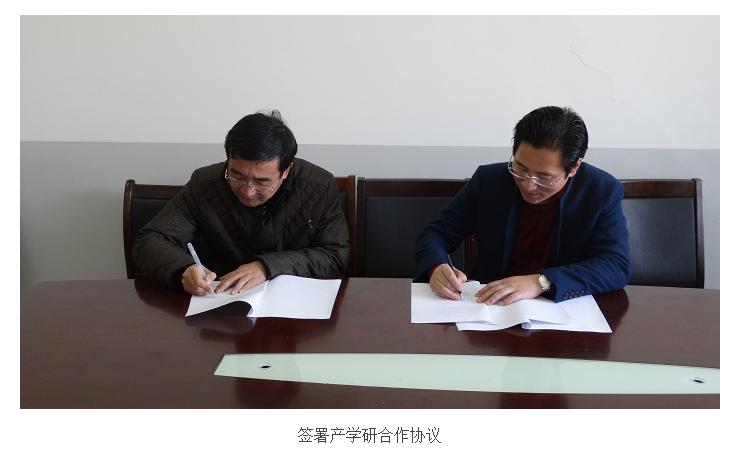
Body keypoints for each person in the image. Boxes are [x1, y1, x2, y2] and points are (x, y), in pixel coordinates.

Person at [415, 106, 631, 305]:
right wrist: (436, 267)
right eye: (520, 168)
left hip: (561, 309)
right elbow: (436, 234)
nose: (528, 185)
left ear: (573, 168)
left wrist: (542, 281)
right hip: (489, 306)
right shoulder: (488, 181)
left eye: (544, 177)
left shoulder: (601, 191)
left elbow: (615, 265)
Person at [133, 110, 349, 296]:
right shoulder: (205, 184)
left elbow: (335, 257)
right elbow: (150, 240)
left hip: (295, 305)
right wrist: (183, 269)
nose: (247, 191)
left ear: (286, 171)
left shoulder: (318, 186)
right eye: (236, 176)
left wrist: (267, 267)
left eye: (262, 182)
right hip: (224, 303)